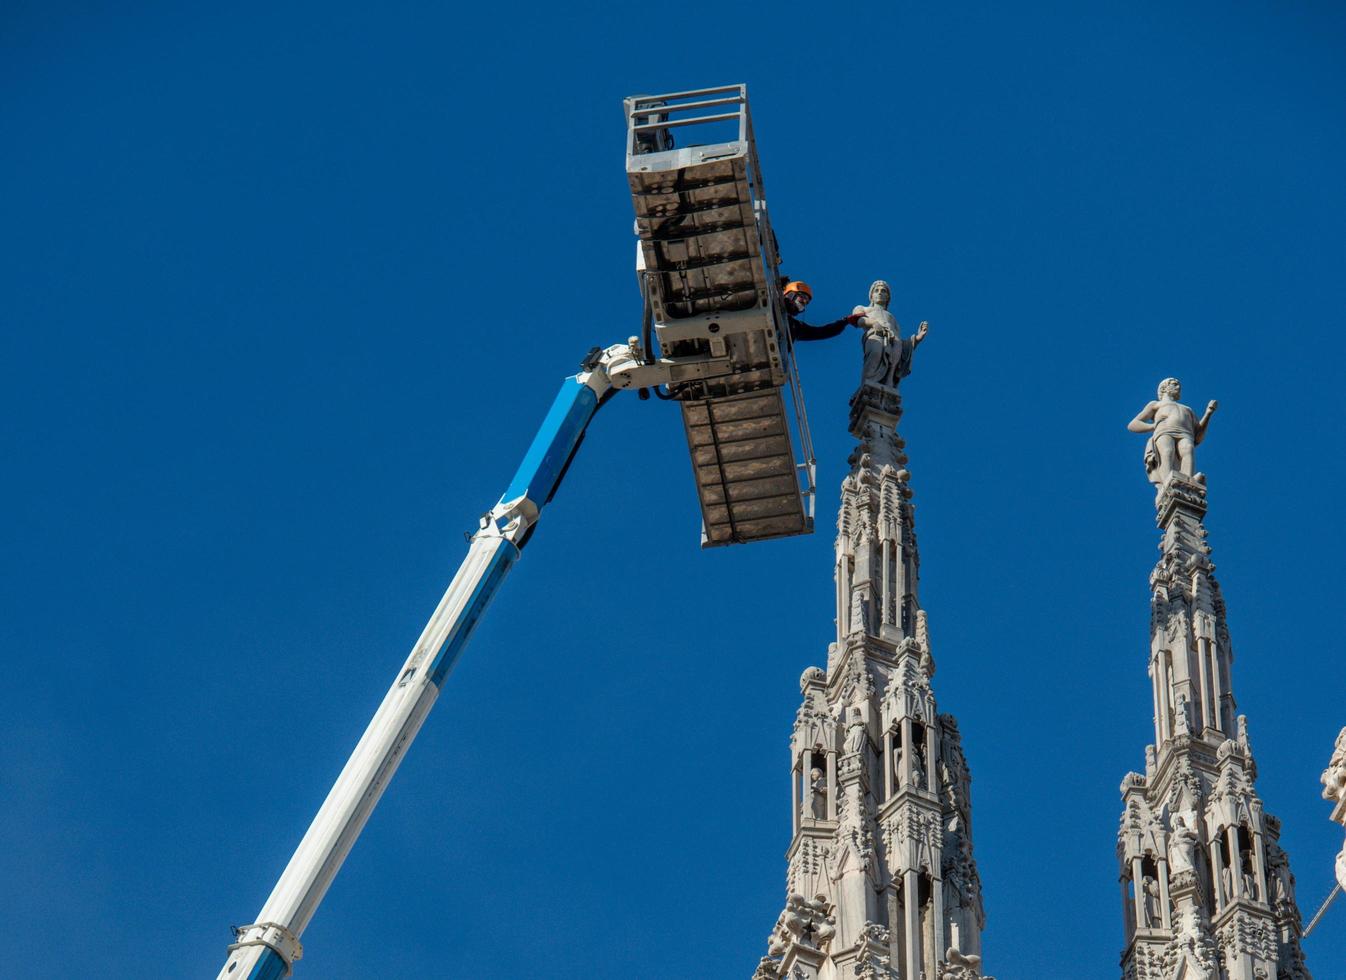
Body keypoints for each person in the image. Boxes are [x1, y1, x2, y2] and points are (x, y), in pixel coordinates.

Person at [780, 280, 864, 342]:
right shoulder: (771, 302)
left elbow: (822, 332)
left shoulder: (794, 327)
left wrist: (845, 321)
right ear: (791, 294)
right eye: (803, 297)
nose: (804, 302)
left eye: (807, 302)